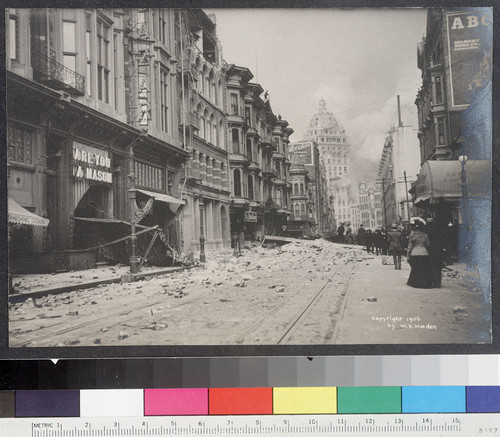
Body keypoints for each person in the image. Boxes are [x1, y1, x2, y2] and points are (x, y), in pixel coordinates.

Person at [406, 218, 433, 288]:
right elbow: (428, 244)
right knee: (424, 269)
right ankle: (424, 283)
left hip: (414, 253)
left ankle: (415, 283)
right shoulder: (425, 235)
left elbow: (410, 246)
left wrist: (408, 255)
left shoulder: (412, 235)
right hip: (424, 253)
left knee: (415, 269)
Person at [426, 218, 444, 288]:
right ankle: (438, 283)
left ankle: (432, 281)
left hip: (431, 250)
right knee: (438, 267)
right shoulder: (438, 230)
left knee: (431, 266)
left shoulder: (427, 230)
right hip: (438, 250)